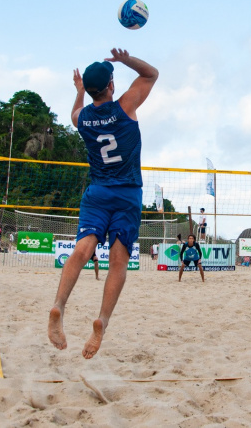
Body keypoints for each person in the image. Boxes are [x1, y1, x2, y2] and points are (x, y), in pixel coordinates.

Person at [48, 47, 158, 359]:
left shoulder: (83, 119)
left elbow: (73, 114)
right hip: (126, 194)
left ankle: (59, 305)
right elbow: (151, 74)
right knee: (118, 262)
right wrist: (125, 59)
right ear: (111, 86)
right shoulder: (125, 105)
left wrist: (79, 92)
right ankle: (102, 321)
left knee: (83, 249)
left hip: (97, 193)